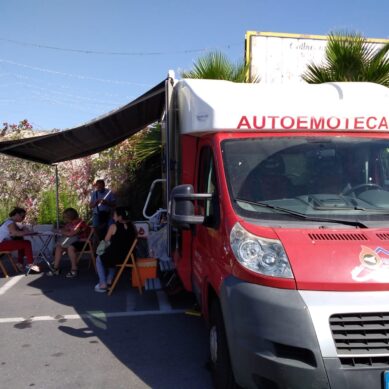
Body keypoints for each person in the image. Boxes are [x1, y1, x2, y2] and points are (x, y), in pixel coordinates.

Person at [94, 207, 137, 292]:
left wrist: (98, 251)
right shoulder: (132, 225)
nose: (113, 217)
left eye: (114, 215)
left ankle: (103, 284)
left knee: (99, 258)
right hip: (129, 257)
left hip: (117, 257)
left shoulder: (113, 226)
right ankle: (109, 280)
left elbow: (105, 241)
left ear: (120, 217)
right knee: (109, 255)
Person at [48, 208, 89, 278]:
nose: (64, 218)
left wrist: (60, 231)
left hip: (84, 242)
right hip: (75, 241)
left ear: (70, 216)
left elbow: (71, 234)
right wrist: (61, 230)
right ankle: (56, 268)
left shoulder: (80, 223)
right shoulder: (70, 223)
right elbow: (65, 230)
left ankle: (74, 269)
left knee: (71, 247)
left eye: (65, 217)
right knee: (59, 247)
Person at [0, 207, 39, 272]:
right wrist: (27, 232)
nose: (23, 218)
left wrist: (25, 229)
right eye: (22, 216)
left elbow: (20, 232)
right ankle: (31, 265)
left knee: (21, 240)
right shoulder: (9, 222)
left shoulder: (10, 221)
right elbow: (15, 233)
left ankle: (20, 263)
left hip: (3, 243)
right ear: (17, 215)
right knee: (27, 243)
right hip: (1, 244)